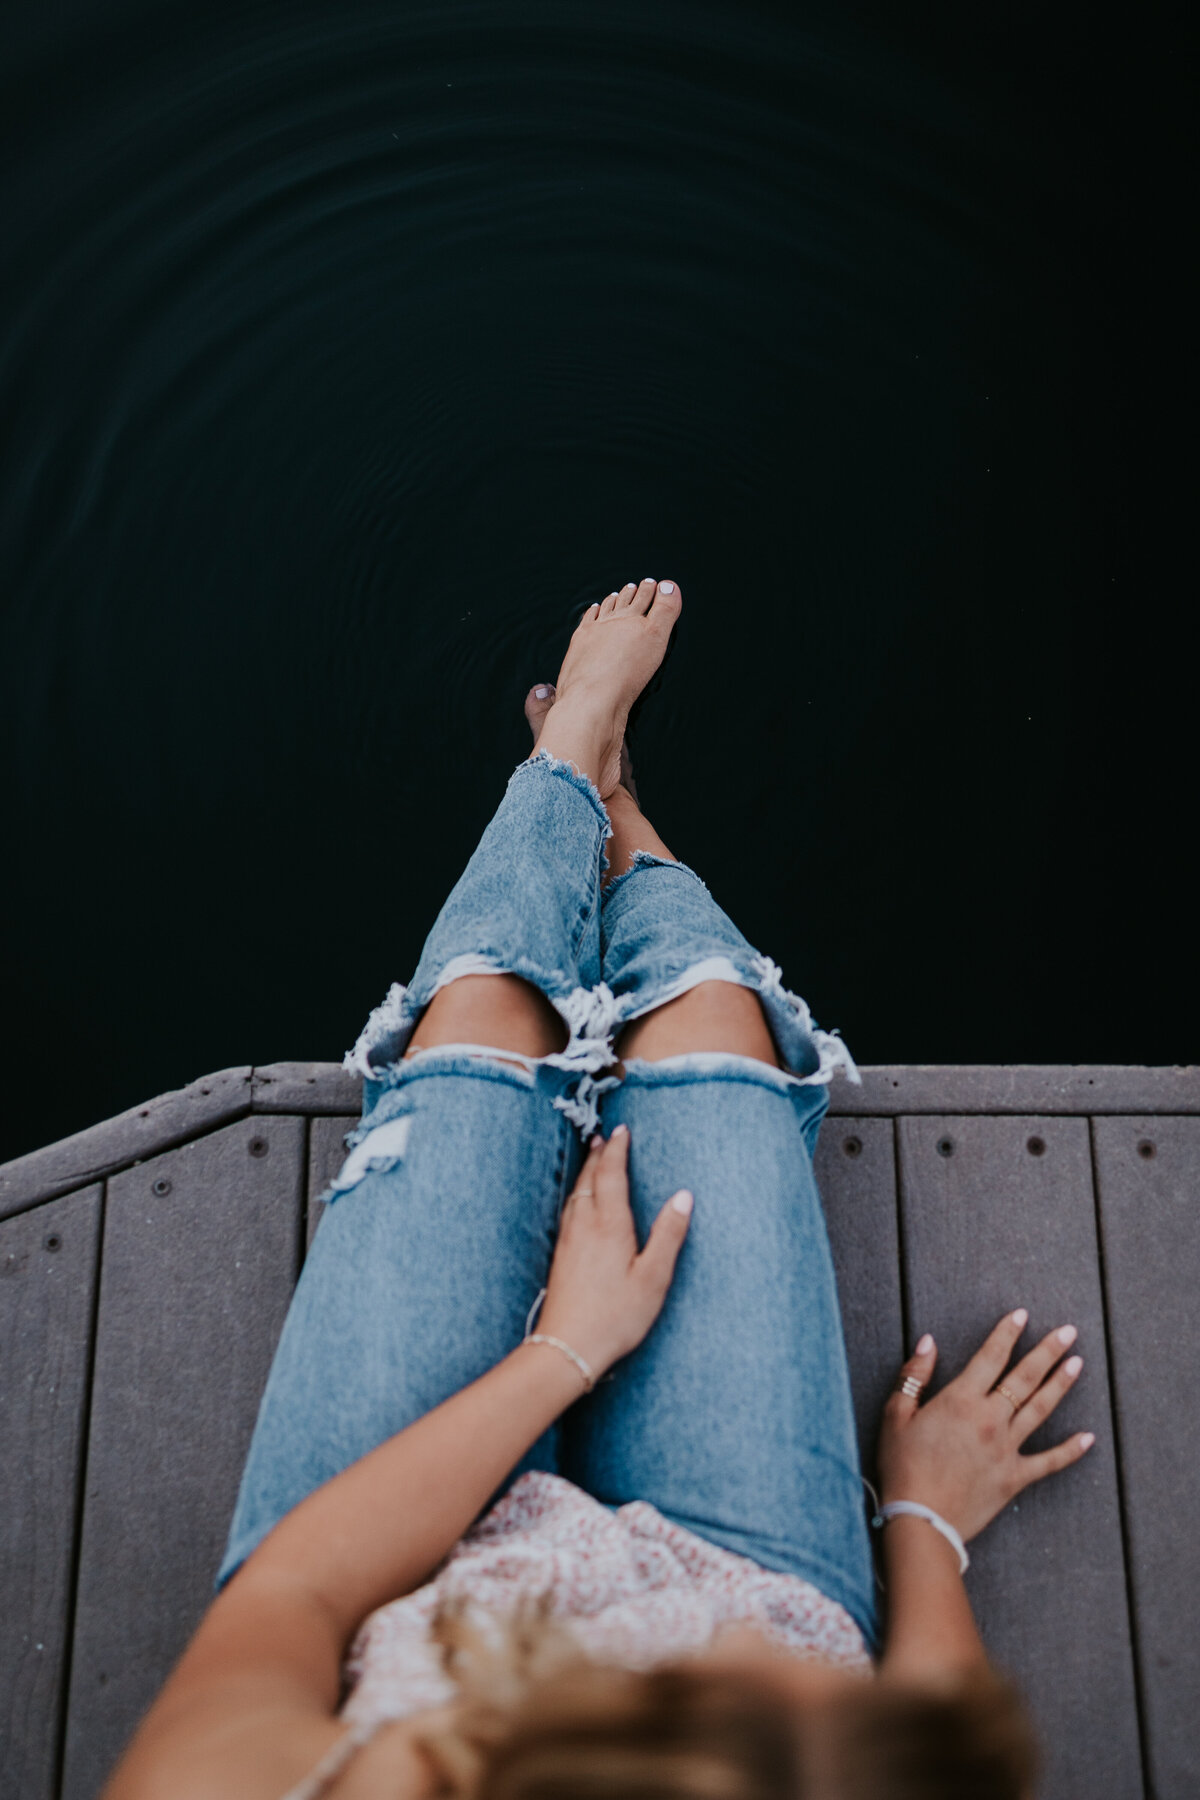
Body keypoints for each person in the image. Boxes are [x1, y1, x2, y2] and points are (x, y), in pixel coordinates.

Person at [104, 579, 1094, 1800]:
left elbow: (291, 1596)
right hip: (742, 1556)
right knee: (716, 1041)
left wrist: (564, 1355)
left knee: (481, 1037)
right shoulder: (802, 1698)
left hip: (401, 1598)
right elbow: (918, 1730)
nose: (828, 1671)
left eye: (795, 1683)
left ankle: (571, 749)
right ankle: (618, 813)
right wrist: (924, 1529)